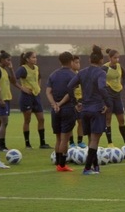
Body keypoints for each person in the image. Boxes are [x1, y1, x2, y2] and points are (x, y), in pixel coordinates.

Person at [67, 45, 110, 175]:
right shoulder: (101, 72)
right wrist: (107, 103)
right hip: (97, 109)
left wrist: (76, 102)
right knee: (95, 140)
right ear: (101, 60)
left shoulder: (82, 72)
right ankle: (87, 168)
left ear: (90, 59)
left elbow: (69, 86)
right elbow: (102, 88)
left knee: (91, 139)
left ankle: (95, 166)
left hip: (84, 109)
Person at [46, 52, 77, 172]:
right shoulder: (72, 75)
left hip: (55, 110)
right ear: (71, 62)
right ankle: (62, 165)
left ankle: (58, 164)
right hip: (67, 109)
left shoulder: (53, 74)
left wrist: (54, 104)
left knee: (58, 138)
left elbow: (48, 91)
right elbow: (70, 93)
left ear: (60, 61)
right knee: (65, 139)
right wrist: (60, 104)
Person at [15, 51, 51, 149]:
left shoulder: (36, 68)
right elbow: (13, 79)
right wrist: (22, 88)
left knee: (41, 119)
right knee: (27, 120)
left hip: (36, 96)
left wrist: (38, 87)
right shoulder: (22, 69)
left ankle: (42, 143)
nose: (35, 59)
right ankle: (27, 144)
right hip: (26, 97)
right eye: (33, 57)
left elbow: (39, 77)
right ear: (27, 59)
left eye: (35, 57)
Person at [102, 48, 125, 147]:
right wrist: (106, 87)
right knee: (108, 120)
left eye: (118, 58)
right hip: (108, 96)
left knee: (121, 119)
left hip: (117, 95)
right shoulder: (104, 68)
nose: (117, 60)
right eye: (115, 58)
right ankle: (110, 143)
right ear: (109, 58)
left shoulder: (119, 66)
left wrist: (123, 85)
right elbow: (99, 80)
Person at [0, 50, 17, 152]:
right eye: (8, 60)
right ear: (2, 60)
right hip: (2, 100)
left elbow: (14, 81)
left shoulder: (5, 70)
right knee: (4, 122)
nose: (9, 62)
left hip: (6, 99)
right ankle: (1, 145)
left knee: (1, 122)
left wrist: (11, 69)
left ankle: (0, 144)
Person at [68, 55, 86, 148]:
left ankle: (80, 141)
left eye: (79, 62)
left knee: (81, 122)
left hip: (80, 101)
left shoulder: (80, 74)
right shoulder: (69, 75)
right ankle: (71, 142)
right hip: (71, 102)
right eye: (76, 62)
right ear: (71, 63)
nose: (78, 64)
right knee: (71, 123)